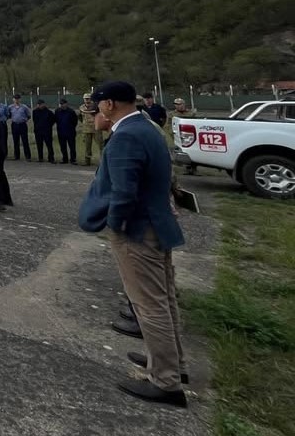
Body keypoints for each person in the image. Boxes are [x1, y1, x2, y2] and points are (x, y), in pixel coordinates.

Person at [78, 81, 188, 407]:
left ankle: (165, 382)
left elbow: (124, 191)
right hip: (155, 223)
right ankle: (171, 363)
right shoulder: (147, 127)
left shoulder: (126, 136)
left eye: (99, 105)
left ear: (109, 104)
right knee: (163, 300)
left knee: (149, 305)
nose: (97, 110)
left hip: (138, 231)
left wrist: (116, 225)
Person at [79, 93, 104, 166]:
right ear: (83, 99)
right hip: (86, 129)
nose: (87, 100)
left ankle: (103, 161)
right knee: (87, 146)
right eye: (85, 99)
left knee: (101, 145)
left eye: (88, 98)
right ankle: (87, 161)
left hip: (96, 128)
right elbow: (80, 117)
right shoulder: (81, 107)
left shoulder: (96, 107)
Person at [54, 98, 79, 164]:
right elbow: (55, 120)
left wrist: (71, 127)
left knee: (72, 146)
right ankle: (64, 159)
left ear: (66, 104)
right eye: (61, 104)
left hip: (70, 132)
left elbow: (75, 121)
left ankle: (73, 159)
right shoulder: (57, 111)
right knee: (63, 146)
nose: (62, 105)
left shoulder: (71, 111)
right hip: (61, 131)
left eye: (63, 104)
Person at [31, 99, 56, 164]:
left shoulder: (49, 112)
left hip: (47, 131)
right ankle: (40, 158)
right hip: (38, 131)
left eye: (41, 104)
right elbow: (34, 121)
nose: (40, 105)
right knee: (39, 145)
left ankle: (51, 158)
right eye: (38, 104)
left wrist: (49, 126)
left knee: (49, 145)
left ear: (44, 104)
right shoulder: (34, 112)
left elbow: (53, 120)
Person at [9, 94, 32, 161]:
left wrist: (24, 120)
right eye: (15, 99)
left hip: (22, 125)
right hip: (14, 125)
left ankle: (27, 156)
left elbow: (29, 116)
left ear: (20, 99)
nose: (16, 100)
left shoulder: (24, 107)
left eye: (18, 99)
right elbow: (9, 115)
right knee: (16, 141)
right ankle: (16, 156)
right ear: (13, 99)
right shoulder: (10, 107)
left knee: (25, 141)